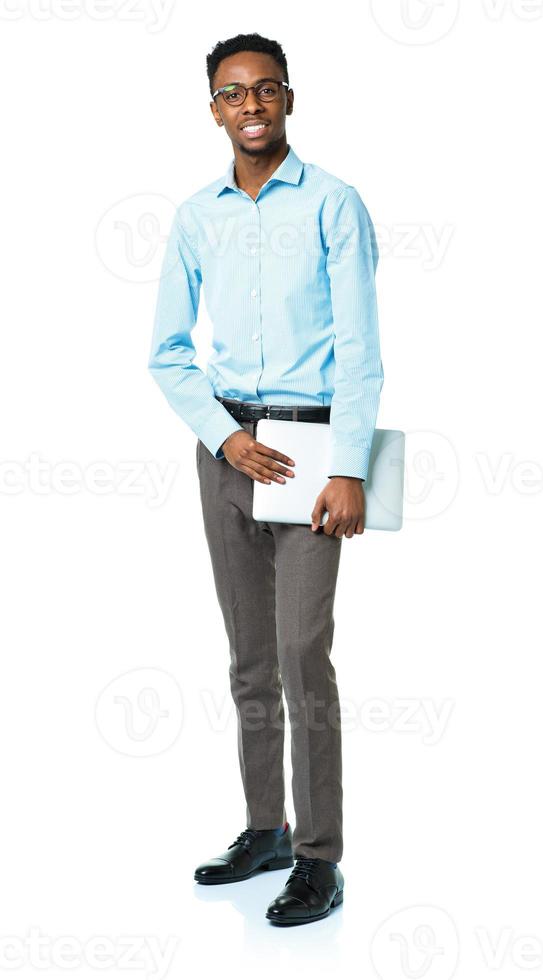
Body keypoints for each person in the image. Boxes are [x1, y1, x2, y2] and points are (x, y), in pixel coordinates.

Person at [147, 32, 384, 926]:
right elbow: (167, 354)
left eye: (265, 90)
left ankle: (319, 857)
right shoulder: (195, 215)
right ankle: (265, 829)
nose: (250, 106)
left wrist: (350, 467)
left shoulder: (332, 204)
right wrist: (221, 436)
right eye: (232, 93)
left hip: (313, 449)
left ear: (289, 99)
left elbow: (359, 349)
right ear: (213, 108)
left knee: (299, 654)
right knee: (249, 658)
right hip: (227, 452)